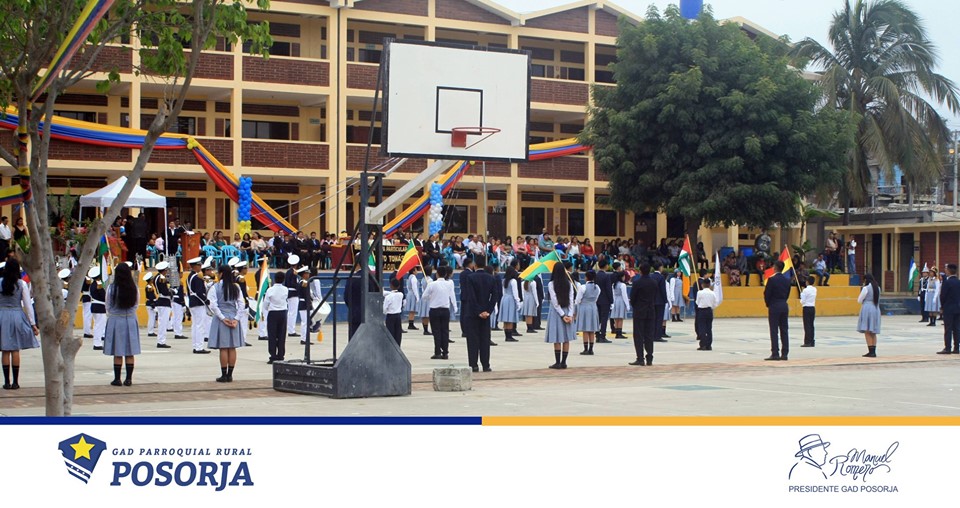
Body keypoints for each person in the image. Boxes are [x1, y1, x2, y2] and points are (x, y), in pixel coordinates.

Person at [0, 259, 39, 390]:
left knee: (5, 350)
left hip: (2, 316)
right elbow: (28, 305)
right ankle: (16, 382)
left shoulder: (0, 282)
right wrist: (33, 323)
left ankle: (6, 382)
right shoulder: (21, 284)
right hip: (17, 315)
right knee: (15, 349)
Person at [102, 263, 139, 386]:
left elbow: (108, 305)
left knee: (117, 351)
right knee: (130, 351)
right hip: (130, 319)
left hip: (116, 319)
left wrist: (114, 313)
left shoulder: (111, 288)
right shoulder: (134, 288)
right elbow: (136, 304)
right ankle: (128, 379)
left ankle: (117, 379)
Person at [208, 265, 246, 382]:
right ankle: (230, 374)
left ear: (221, 274)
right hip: (233, 316)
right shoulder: (236, 287)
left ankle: (224, 374)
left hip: (222, 318)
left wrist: (222, 318)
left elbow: (213, 305)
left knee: (223, 348)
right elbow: (241, 304)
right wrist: (236, 318)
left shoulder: (215, 287)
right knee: (232, 347)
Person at [461, 259, 498, 372]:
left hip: (472, 313)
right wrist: (488, 311)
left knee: (473, 340)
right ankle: (486, 365)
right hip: (486, 313)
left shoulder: (470, 277)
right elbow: (495, 296)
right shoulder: (491, 278)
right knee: (485, 339)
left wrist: (478, 311)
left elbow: (471, 296)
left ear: (475, 265)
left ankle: (474, 364)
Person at [421, 265, 457, 360]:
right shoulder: (449, 284)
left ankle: (437, 352)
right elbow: (452, 296)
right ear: (445, 274)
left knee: (436, 331)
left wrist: (431, 296)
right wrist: (455, 306)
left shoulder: (432, 284)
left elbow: (424, 296)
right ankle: (445, 352)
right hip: (445, 310)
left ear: (437, 274)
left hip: (435, 310)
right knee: (445, 331)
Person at [546, 262, 577, 369]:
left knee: (557, 338)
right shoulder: (569, 283)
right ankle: (564, 362)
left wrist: (562, 315)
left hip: (556, 313)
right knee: (566, 338)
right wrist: (570, 314)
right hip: (567, 310)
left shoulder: (551, 284)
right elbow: (571, 300)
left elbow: (555, 301)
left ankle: (557, 362)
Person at [629, 263, 657, 366]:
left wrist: (636, 306)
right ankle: (649, 357)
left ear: (640, 271)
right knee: (649, 335)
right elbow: (655, 296)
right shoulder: (654, 282)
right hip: (651, 310)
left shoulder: (637, 283)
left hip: (639, 311)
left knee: (638, 335)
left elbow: (633, 298)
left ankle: (640, 358)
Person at [764, 260, 792, 361]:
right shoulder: (787, 280)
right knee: (784, 330)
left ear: (775, 268)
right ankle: (785, 353)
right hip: (784, 305)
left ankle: (775, 353)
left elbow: (767, 294)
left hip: (774, 305)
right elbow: (788, 293)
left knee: (774, 330)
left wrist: (769, 304)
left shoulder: (772, 280)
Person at [186, 256, 212, 354]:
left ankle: (195, 345)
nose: (200, 267)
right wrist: (205, 300)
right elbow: (199, 292)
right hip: (198, 302)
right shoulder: (197, 277)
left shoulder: (190, 276)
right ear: (195, 266)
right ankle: (199, 347)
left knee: (195, 325)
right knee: (200, 325)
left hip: (193, 302)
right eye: (199, 265)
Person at [263, 272, 288, 363]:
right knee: (281, 334)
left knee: (272, 335)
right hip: (282, 312)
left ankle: (273, 355)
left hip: (273, 312)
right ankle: (281, 354)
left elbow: (266, 303)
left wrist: (268, 308)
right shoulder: (285, 289)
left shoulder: (270, 290)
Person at [575, 270, 600, 355]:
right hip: (593, 307)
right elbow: (596, 298)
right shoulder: (597, 287)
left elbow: (578, 300)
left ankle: (586, 349)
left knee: (585, 329)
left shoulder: (583, 287)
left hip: (584, 308)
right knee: (592, 329)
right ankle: (591, 349)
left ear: (586, 277)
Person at [938, 263, 960, 355]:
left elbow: (943, 296)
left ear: (949, 271)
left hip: (948, 308)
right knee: (957, 328)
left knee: (948, 328)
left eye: (946, 269)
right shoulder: (958, 282)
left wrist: (942, 307)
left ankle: (947, 348)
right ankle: (956, 348)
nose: (945, 270)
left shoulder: (947, 282)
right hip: (958, 308)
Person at [857, 273, 881, 358]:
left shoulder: (866, 288)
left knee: (867, 331)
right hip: (876, 308)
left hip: (867, 308)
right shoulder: (878, 288)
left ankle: (870, 351)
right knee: (873, 331)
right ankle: (873, 351)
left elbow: (859, 300)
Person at [499, 266, 522, 341]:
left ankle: (507, 335)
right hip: (511, 299)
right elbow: (515, 293)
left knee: (506, 318)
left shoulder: (504, 280)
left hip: (504, 298)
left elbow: (503, 291)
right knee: (510, 318)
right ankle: (509, 336)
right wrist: (518, 302)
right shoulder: (513, 281)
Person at [694, 278, 718, 351]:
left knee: (702, 328)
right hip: (709, 310)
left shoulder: (700, 292)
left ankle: (703, 344)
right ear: (709, 285)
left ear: (703, 285)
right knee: (709, 328)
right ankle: (709, 345)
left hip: (702, 310)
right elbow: (715, 303)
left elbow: (697, 302)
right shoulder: (712, 293)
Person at [153, 262, 172, 349]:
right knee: (163, 323)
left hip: (161, 301)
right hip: (164, 301)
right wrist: (171, 292)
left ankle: (161, 340)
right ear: (164, 270)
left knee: (162, 322)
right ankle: (161, 341)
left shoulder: (156, 277)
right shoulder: (161, 278)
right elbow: (164, 291)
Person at [594, 259, 613, 344]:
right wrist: (611, 300)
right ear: (605, 266)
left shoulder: (596, 275)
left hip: (597, 299)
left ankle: (597, 335)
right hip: (605, 300)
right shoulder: (606, 276)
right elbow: (608, 289)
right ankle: (602, 335)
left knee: (597, 318)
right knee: (604, 318)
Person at [88, 266, 107, 351]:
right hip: (100, 307)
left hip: (95, 306)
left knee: (97, 325)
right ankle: (97, 343)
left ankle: (97, 342)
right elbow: (103, 296)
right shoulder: (98, 285)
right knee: (99, 326)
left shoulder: (92, 285)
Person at [284, 254, 302, 337]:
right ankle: (291, 330)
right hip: (293, 293)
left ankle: (290, 329)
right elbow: (292, 283)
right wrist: (299, 286)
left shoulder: (289, 271)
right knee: (293, 313)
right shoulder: (293, 273)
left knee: (290, 312)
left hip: (289, 293)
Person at [383, 277, 404, 346]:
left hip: (390, 316)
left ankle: (391, 347)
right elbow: (394, 293)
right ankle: (398, 347)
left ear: (390, 286)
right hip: (398, 316)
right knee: (398, 334)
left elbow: (384, 309)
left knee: (390, 334)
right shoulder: (401, 295)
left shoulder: (388, 297)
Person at [651, 261, 669, 341]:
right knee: (659, 319)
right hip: (660, 301)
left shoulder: (651, 276)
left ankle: (652, 334)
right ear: (660, 267)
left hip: (652, 300)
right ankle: (657, 336)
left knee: (653, 318)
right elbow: (663, 290)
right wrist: (665, 300)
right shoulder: (661, 277)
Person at [611, 271, 630, 338]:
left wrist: (612, 303)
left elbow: (613, 294)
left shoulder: (614, 285)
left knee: (616, 318)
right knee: (620, 318)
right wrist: (627, 305)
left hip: (615, 300)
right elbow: (624, 295)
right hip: (621, 300)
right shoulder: (622, 285)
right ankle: (619, 332)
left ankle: (617, 332)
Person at [800, 275, 817, 348]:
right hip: (812, 307)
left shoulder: (805, 290)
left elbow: (803, 301)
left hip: (806, 307)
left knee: (807, 325)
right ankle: (812, 341)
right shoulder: (815, 289)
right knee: (811, 325)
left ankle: (807, 341)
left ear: (807, 282)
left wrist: (801, 296)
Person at [417, 264, 433, 335]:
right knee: (426, 314)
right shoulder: (430, 280)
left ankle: (425, 328)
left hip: (423, 298)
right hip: (428, 298)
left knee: (424, 314)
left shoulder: (423, 279)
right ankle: (426, 330)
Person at [404, 265, 422, 331]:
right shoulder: (413, 278)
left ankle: (411, 323)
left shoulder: (409, 277)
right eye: (416, 270)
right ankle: (411, 324)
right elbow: (415, 288)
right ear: (413, 271)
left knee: (412, 310)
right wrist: (417, 297)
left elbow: (408, 287)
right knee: (412, 310)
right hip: (413, 294)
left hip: (410, 293)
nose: (417, 271)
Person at [144, 271, 158, 338]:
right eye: (152, 279)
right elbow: (151, 296)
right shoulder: (149, 287)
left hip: (150, 303)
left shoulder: (149, 286)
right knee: (151, 318)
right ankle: (150, 331)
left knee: (152, 318)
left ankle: (151, 331)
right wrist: (153, 304)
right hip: (150, 303)